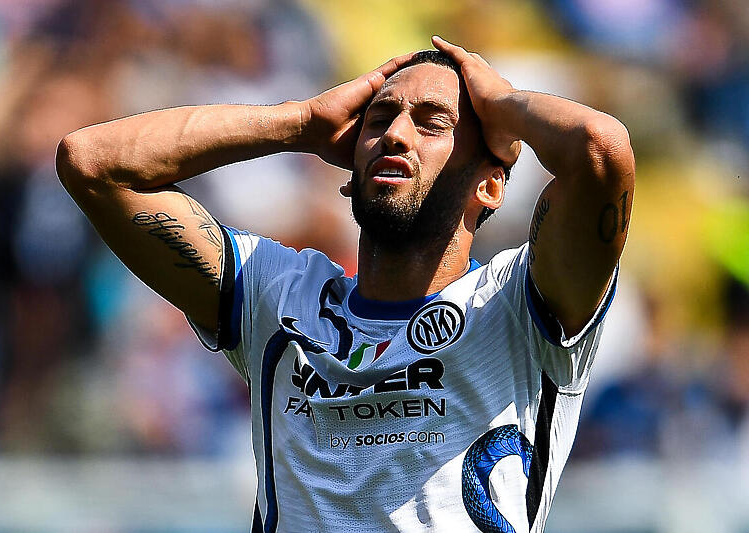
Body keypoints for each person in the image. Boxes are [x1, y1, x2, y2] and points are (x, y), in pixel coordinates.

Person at [57, 36, 634, 533]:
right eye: (379, 120)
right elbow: (91, 163)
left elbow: (600, 151)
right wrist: (297, 124)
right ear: (348, 175)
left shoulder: (518, 304)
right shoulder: (278, 298)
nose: (395, 135)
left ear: (490, 185)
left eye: (433, 122)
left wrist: (501, 103)